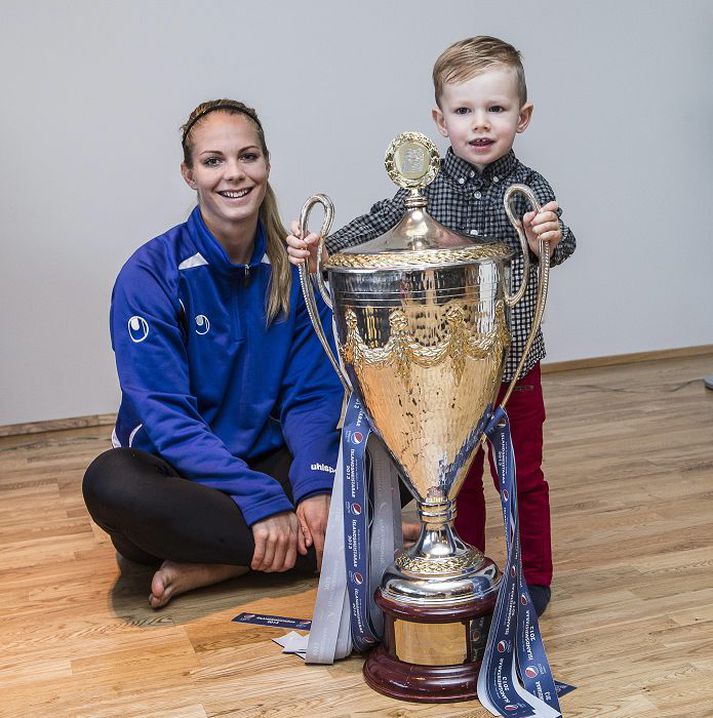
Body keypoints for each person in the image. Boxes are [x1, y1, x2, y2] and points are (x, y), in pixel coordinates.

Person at [287, 36, 576, 617]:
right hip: (442, 372)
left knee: (522, 475)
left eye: (496, 109)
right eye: (464, 111)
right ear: (439, 121)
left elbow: (558, 245)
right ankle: (461, 569)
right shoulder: (424, 189)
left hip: (514, 360)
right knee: (454, 477)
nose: (480, 124)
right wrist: (321, 251)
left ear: (523, 118)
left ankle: (533, 577)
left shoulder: (531, 189)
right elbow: (371, 230)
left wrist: (548, 236)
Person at [82, 99, 346, 609]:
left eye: (248, 157)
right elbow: (166, 419)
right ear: (189, 174)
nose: (234, 174)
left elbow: (311, 397)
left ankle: (220, 564)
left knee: (381, 454)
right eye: (213, 161)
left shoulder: (295, 270)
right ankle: (331, 541)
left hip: (268, 461)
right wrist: (262, 501)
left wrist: (314, 486)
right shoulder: (150, 273)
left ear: (267, 164)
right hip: (180, 476)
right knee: (110, 483)